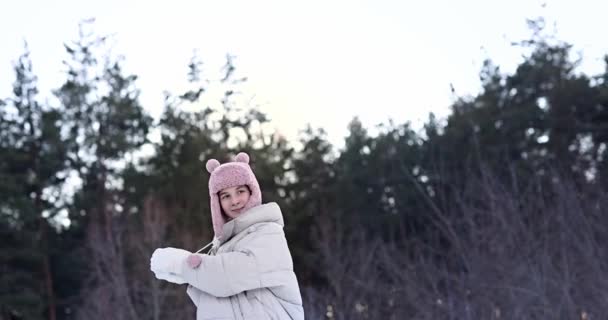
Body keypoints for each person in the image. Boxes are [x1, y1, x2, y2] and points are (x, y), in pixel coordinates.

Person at [150, 152, 304, 320]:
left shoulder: (267, 232)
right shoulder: (227, 242)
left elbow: (226, 278)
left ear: (252, 191)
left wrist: (180, 264)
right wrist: (185, 275)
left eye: (240, 191)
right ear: (217, 203)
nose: (235, 201)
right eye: (226, 196)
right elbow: (219, 295)